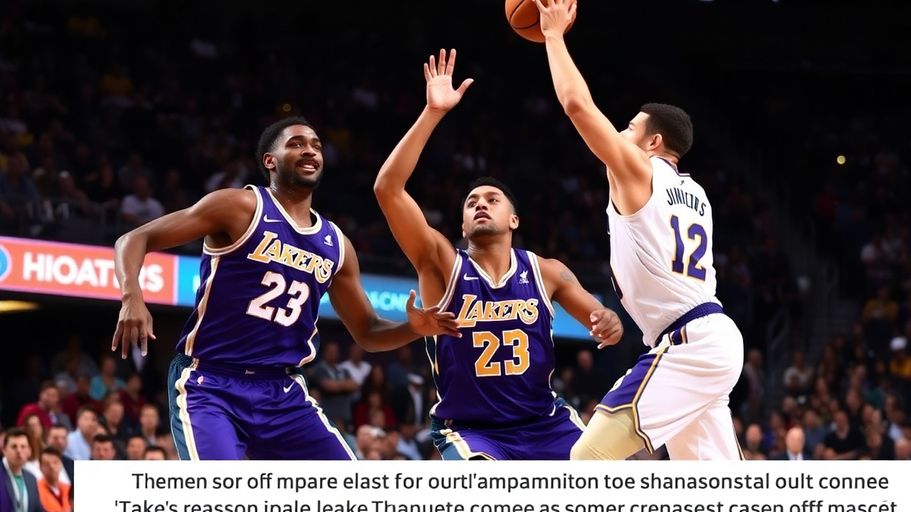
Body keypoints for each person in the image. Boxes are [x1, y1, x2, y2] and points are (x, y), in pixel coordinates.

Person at [111, 117, 459, 460]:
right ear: (270, 161)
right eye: (296, 144)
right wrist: (132, 296)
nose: (310, 151)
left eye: (316, 146)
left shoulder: (336, 244)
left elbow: (367, 331)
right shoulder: (239, 207)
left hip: (283, 392)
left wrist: (412, 328)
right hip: (210, 383)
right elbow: (134, 238)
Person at [373, 49, 623, 460]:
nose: (480, 204)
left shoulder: (548, 272)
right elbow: (387, 190)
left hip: (546, 423)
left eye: (492, 199)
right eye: (471, 202)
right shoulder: (440, 261)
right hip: (473, 431)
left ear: (514, 220)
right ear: (463, 225)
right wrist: (432, 113)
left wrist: (609, 322)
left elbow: (600, 320)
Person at [535, 0, 744, 460]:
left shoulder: (640, 169)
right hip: (711, 339)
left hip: (688, 341)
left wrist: (553, 36)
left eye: (629, 128)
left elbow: (576, 105)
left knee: (588, 458)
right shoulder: (698, 194)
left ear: (653, 142)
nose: (621, 135)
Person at [1, 429, 44, 512]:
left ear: (29, 451)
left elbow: (37, 509)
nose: (19, 451)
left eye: (23, 447)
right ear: (4, 450)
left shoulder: (31, 479)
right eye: (14, 446)